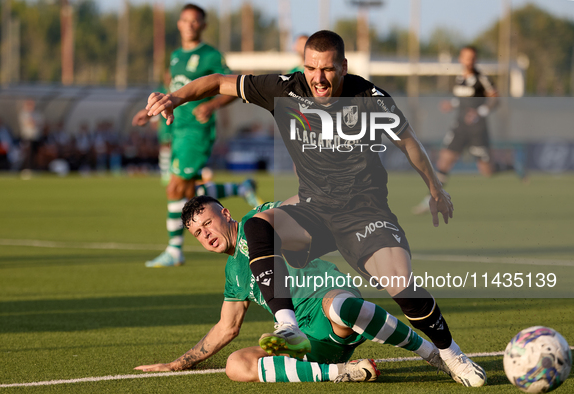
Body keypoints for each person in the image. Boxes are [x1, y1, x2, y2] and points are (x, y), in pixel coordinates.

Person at [143, 30, 486, 387]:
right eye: (311, 68)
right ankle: (287, 325)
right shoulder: (285, 89)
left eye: (327, 69)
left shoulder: (368, 96)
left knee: (401, 285)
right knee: (259, 226)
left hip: (364, 212)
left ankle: (450, 354)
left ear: (343, 66)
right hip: (315, 210)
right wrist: (174, 98)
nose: (318, 78)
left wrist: (435, 187)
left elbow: (408, 142)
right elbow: (216, 82)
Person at [134, 195, 453, 383]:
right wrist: (177, 363)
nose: (205, 234)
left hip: (331, 304)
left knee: (340, 306)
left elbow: (293, 203)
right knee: (236, 365)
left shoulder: (258, 222)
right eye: (197, 233)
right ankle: (341, 371)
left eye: (207, 223)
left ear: (226, 214)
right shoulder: (234, 274)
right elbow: (226, 327)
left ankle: (431, 353)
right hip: (309, 344)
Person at [131, 3, 261, 268]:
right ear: (179, 24)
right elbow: (171, 88)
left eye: (195, 21)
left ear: (203, 25)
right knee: (189, 192)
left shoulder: (211, 55)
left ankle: (174, 250)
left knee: (174, 187)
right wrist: (151, 111)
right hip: (177, 129)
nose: (189, 25)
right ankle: (240, 188)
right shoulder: (177, 55)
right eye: (184, 20)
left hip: (196, 132)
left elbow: (232, 86)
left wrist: (212, 105)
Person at [412, 45, 510, 214]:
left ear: (476, 59)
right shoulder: (459, 78)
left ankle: (512, 167)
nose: (469, 61)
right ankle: (432, 199)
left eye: (472, 58)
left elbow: (495, 99)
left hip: (477, 129)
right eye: (466, 57)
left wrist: (480, 112)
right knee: (443, 162)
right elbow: (462, 100)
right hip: (460, 127)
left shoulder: (482, 78)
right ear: (460, 59)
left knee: (487, 170)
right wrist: (451, 104)